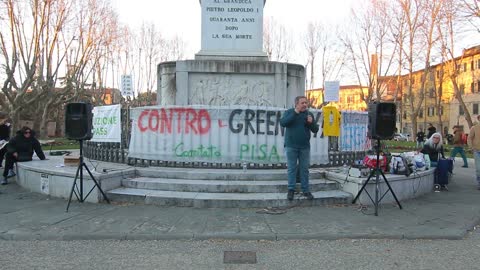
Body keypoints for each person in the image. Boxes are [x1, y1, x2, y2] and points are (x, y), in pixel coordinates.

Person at [280, 96, 319, 201]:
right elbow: (283, 123)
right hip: (291, 146)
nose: (305, 105)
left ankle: (305, 190)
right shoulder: (289, 112)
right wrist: (295, 113)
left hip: (304, 147)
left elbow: (315, 130)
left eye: (306, 103)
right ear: (296, 104)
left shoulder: (309, 114)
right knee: (291, 169)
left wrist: (311, 123)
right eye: (302, 103)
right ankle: (291, 190)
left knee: (304, 169)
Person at [467, 115, 480, 190]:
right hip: (477, 150)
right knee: (478, 168)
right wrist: (471, 147)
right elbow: (469, 138)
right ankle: (479, 183)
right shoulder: (474, 128)